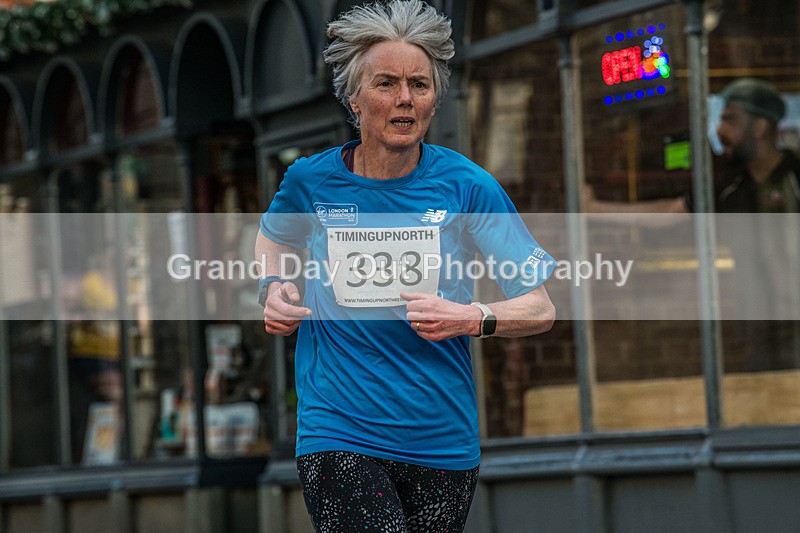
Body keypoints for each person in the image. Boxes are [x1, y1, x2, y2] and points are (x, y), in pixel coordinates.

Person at [254, 1, 555, 531]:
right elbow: (273, 237)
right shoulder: (311, 182)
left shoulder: (468, 187)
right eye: (386, 83)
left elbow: (541, 307)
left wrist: (470, 317)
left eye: (419, 84)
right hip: (339, 428)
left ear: (435, 100)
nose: (404, 99)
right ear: (354, 96)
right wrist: (273, 286)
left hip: (440, 437)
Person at [585, 77, 800, 214]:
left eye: (731, 120)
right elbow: (671, 212)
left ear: (759, 127)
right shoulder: (729, 184)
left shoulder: (795, 176)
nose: (719, 131)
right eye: (721, 120)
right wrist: (593, 208)